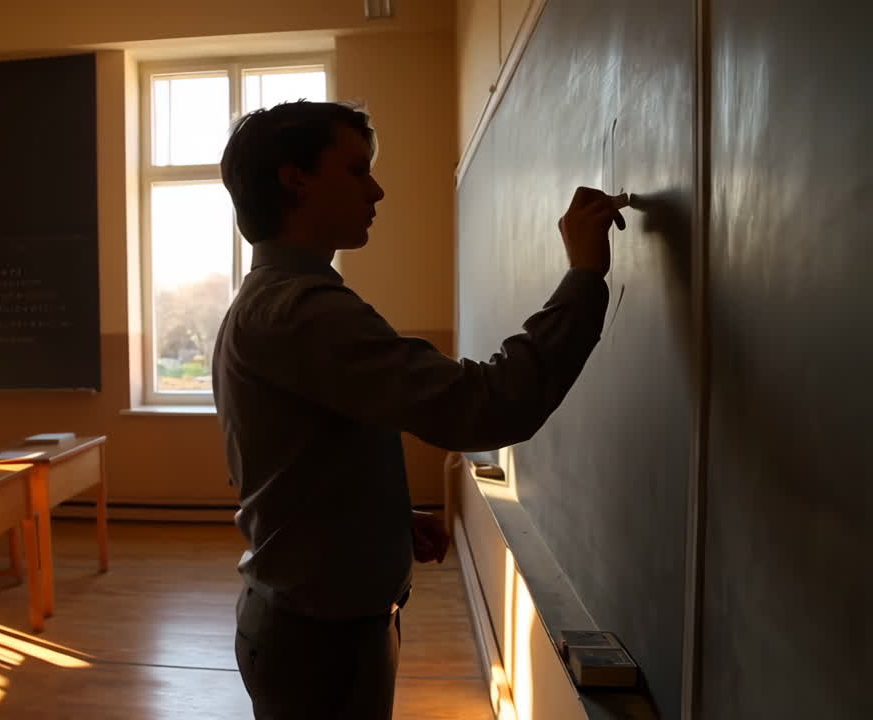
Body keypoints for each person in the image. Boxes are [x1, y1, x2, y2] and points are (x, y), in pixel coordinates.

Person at [213, 100, 625, 719]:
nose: (376, 190)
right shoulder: (300, 312)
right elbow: (487, 407)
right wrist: (584, 277)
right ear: (295, 178)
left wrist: (386, 517)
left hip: (321, 630)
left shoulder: (281, 303)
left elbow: (296, 459)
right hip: (319, 645)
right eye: (356, 171)